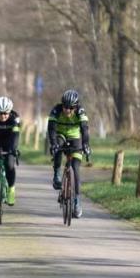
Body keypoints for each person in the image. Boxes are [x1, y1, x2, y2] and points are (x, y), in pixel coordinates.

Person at [47, 89, 90, 217]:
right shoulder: (56, 110)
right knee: (57, 148)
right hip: (60, 135)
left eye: (71, 108)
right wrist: (53, 143)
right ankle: (57, 174)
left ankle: (77, 201)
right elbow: (51, 129)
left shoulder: (80, 112)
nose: (67, 110)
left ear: (75, 107)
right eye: (65, 107)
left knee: (75, 168)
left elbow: (85, 130)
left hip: (75, 138)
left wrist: (86, 145)